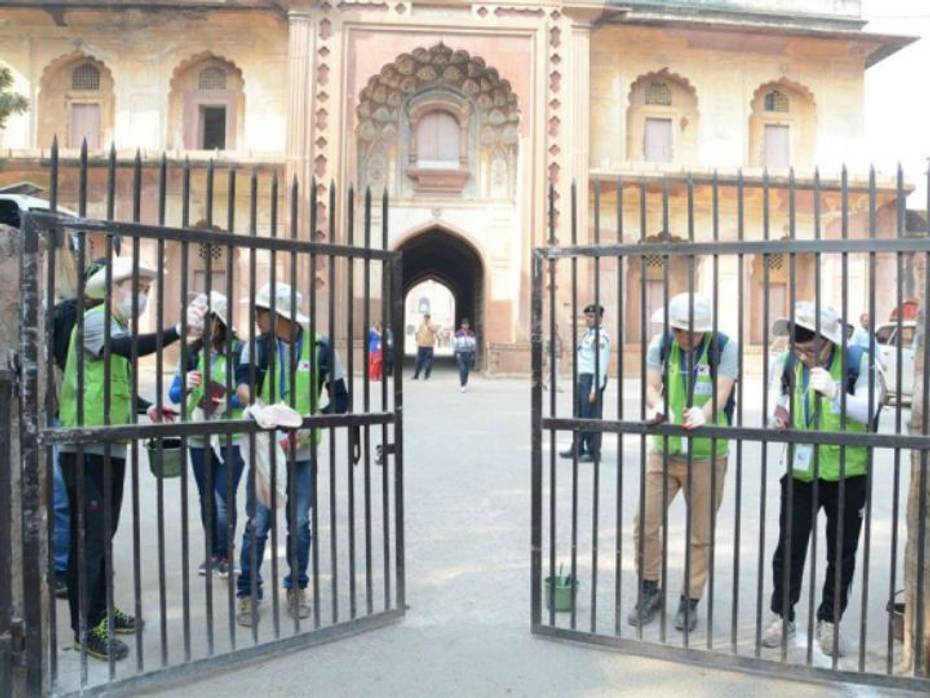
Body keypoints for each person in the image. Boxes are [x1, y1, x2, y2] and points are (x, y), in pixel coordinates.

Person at [59, 257, 201, 661]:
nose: (139, 295)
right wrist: (177, 331)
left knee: (102, 534)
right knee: (89, 539)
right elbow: (126, 350)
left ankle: (102, 612)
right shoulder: (93, 322)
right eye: (133, 287)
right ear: (112, 287)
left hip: (112, 443)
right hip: (84, 443)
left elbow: (114, 381)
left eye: (144, 289)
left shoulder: (115, 325)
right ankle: (85, 628)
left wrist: (148, 408)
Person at [761, 302, 883, 657]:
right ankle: (782, 615)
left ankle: (830, 620)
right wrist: (779, 413)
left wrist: (835, 393)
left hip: (848, 472)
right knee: (789, 547)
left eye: (810, 350)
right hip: (801, 471)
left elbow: (871, 408)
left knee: (841, 553)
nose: (802, 356)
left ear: (829, 341)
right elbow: (780, 396)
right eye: (797, 350)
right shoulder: (789, 363)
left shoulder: (858, 361)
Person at [235, 282, 349, 626]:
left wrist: (309, 427)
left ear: (280, 314)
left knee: (299, 525)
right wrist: (258, 409)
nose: (255, 317)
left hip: (301, 455)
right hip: (265, 454)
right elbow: (243, 384)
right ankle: (247, 593)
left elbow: (341, 400)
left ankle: (297, 586)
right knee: (258, 525)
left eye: (261, 311)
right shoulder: (255, 348)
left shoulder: (322, 348)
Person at [628, 293, 737, 632]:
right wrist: (658, 405)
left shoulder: (723, 347)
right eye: (677, 330)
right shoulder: (661, 344)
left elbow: (722, 392)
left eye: (690, 332)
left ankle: (689, 600)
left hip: (707, 454)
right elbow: (650, 385)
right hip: (665, 450)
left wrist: (703, 414)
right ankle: (649, 590)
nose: (683, 337)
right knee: (644, 523)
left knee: (700, 534)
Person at [169, 291, 245, 578]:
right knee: (206, 498)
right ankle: (213, 552)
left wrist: (231, 402)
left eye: (207, 318)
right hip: (199, 435)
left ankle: (227, 553)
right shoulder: (191, 352)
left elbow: (256, 392)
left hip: (230, 435)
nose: (202, 323)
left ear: (219, 320)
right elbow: (174, 395)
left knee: (224, 495)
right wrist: (186, 385)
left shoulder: (240, 350)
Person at [50, 257, 108, 599]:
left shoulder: (111, 320)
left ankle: (90, 565)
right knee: (61, 496)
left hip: (98, 420)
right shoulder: (64, 314)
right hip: (62, 413)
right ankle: (61, 567)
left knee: (93, 501)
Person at [560, 304, 610, 463]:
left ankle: (594, 452)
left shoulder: (601, 338)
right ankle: (577, 447)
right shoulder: (587, 336)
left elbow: (600, 365)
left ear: (600, 318)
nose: (588, 319)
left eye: (592, 316)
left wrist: (595, 388)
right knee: (579, 415)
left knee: (591, 416)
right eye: (587, 317)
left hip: (591, 380)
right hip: (582, 378)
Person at [453, 318, 477, 392]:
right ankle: (462, 385)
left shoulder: (471, 334)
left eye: (466, 324)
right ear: (461, 325)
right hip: (461, 353)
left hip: (468, 353)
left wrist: (473, 353)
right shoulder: (457, 334)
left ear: (468, 325)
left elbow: (474, 344)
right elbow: (455, 344)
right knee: (462, 369)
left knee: (466, 370)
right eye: (464, 324)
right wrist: (457, 352)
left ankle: (465, 382)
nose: (465, 326)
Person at [412, 313, 438, 380]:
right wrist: (417, 340)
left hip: (429, 346)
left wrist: (429, 326)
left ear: (429, 318)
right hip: (421, 345)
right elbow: (418, 333)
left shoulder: (432, 324)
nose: (426, 319)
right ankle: (416, 375)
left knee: (428, 362)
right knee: (418, 361)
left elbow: (435, 331)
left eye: (427, 318)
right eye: (425, 317)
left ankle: (426, 375)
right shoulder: (421, 324)